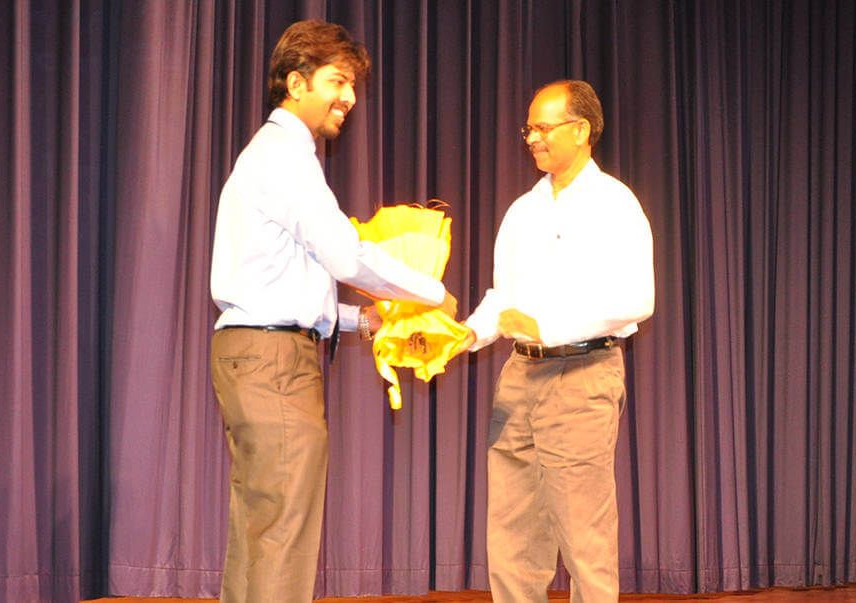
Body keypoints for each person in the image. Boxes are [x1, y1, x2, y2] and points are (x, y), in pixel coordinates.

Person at [209, 20, 454, 603]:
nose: (348, 96)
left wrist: (357, 321)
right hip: (272, 362)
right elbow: (344, 254)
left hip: (254, 351)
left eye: (351, 85)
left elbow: (279, 272)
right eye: (337, 81)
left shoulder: (271, 155)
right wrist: (429, 292)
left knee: (262, 527)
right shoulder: (287, 155)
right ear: (296, 82)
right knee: (284, 533)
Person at [461, 80, 654, 602]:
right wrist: (466, 335)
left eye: (544, 128)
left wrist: (550, 328)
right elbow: (503, 299)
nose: (532, 139)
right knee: (512, 539)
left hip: (582, 376)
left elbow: (638, 298)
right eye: (530, 129)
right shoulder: (523, 210)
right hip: (519, 377)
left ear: (582, 130)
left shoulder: (615, 203)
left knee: (584, 540)